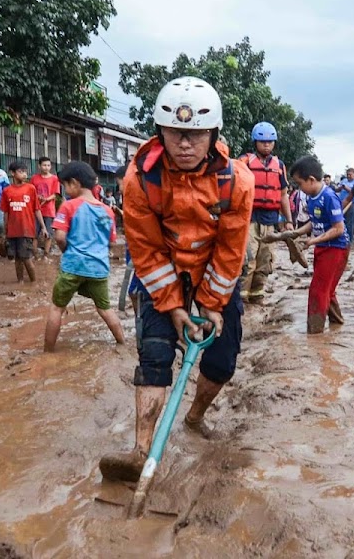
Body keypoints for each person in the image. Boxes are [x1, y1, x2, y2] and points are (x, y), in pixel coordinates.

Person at [100, 76, 253, 482]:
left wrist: (210, 305)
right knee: (154, 357)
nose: (185, 144)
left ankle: (195, 415)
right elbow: (146, 251)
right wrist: (171, 307)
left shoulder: (237, 181)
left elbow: (230, 251)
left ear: (213, 134)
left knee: (221, 362)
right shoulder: (139, 180)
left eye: (196, 135)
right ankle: (141, 451)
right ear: (160, 133)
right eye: (176, 133)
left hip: (214, 275)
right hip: (161, 271)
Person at [44, 161, 125, 351]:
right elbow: (111, 242)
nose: (65, 191)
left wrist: (67, 252)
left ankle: (47, 353)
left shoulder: (69, 206)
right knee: (105, 308)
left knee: (57, 308)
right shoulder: (107, 210)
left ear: (74, 183)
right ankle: (122, 344)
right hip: (99, 268)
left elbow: (60, 237)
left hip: (73, 266)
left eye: (65, 186)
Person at [289, 156, 349, 334]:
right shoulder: (311, 197)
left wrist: (312, 241)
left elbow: (338, 228)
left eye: (300, 184)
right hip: (323, 247)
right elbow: (314, 222)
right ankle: (337, 325)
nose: (299, 188)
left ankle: (315, 333)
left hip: (336, 248)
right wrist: (298, 232)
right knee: (327, 289)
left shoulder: (329, 197)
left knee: (318, 290)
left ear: (311, 180)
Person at [238, 121, 293, 304]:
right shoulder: (244, 162)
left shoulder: (279, 165)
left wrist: (288, 220)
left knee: (265, 260)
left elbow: (283, 195)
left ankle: (257, 295)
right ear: (255, 143)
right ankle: (241, 299)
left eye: (270, 142)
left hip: (270, 220)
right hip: (249, 218)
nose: (267, 145)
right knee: (247, 259)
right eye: (263, 142)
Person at [1, 161, 47, 283]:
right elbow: (6, 212)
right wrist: (5, 230)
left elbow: (37, 209)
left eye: (25, 172)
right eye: (21, 172)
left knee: (26, 258)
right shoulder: (6, 191)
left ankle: (34, 282)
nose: (24, 174)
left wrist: (43, 227)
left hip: (26, 230)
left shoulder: (30, 189)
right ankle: (20, 282)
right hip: (12, 231)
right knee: (17, 259)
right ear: (12, 173)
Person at [32, 156, 62, 257]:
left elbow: (56, 194)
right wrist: (38, 197)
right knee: (34, 233)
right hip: (36, 209)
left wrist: (46, 199)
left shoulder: (54, 179)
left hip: (49, 210)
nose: (46, 167)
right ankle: (35, 254)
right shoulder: (34, 178)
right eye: (44, 165)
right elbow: (31, 192)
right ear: (39, 166)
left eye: (48, 165)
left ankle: (46, 254)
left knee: (48, 233)